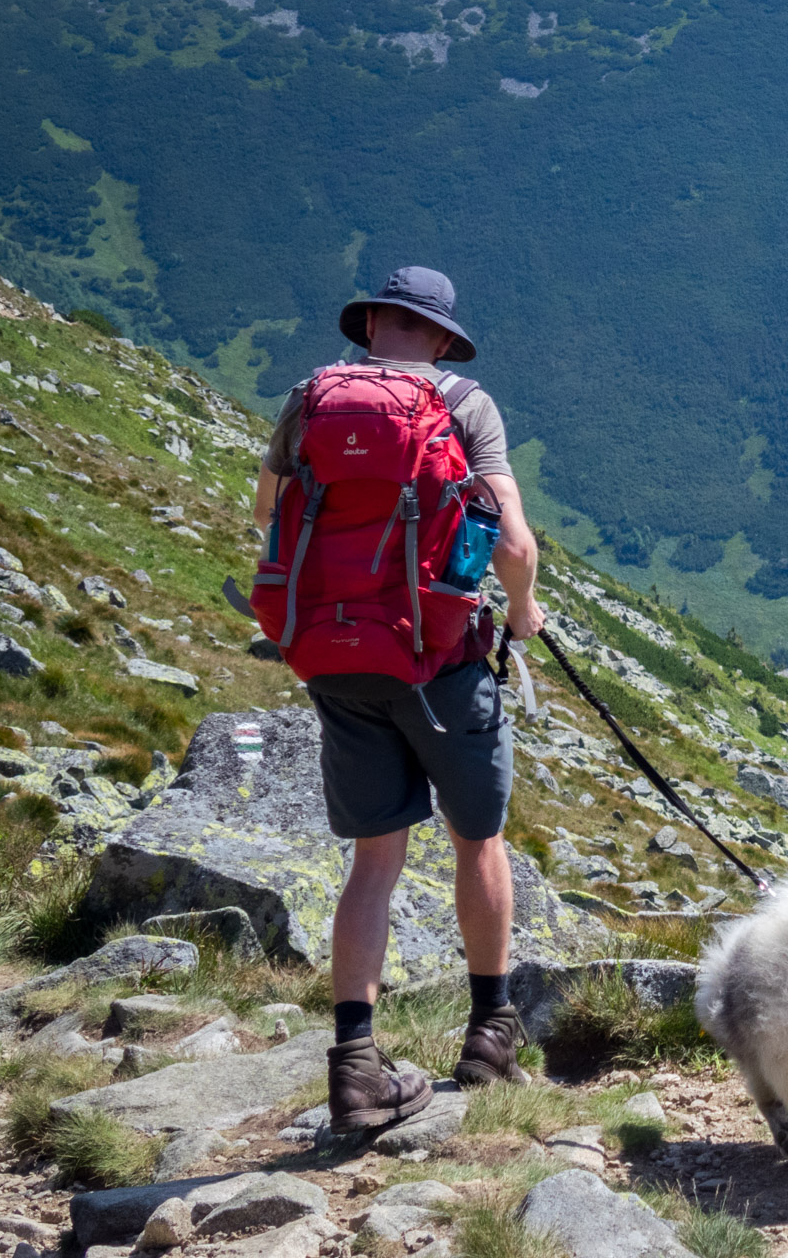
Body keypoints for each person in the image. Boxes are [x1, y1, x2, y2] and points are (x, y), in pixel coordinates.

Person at [253, 266, 546, 1133]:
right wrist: (522, 613)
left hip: (335, 659)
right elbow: (513, 540)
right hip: (438, 658)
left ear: (373, 323)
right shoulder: (466, 406)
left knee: (374, 865)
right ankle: (490, 1035)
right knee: (477, 841)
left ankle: (354, 1067)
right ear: (444, 338)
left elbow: (271, 510)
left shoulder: (312, 399)